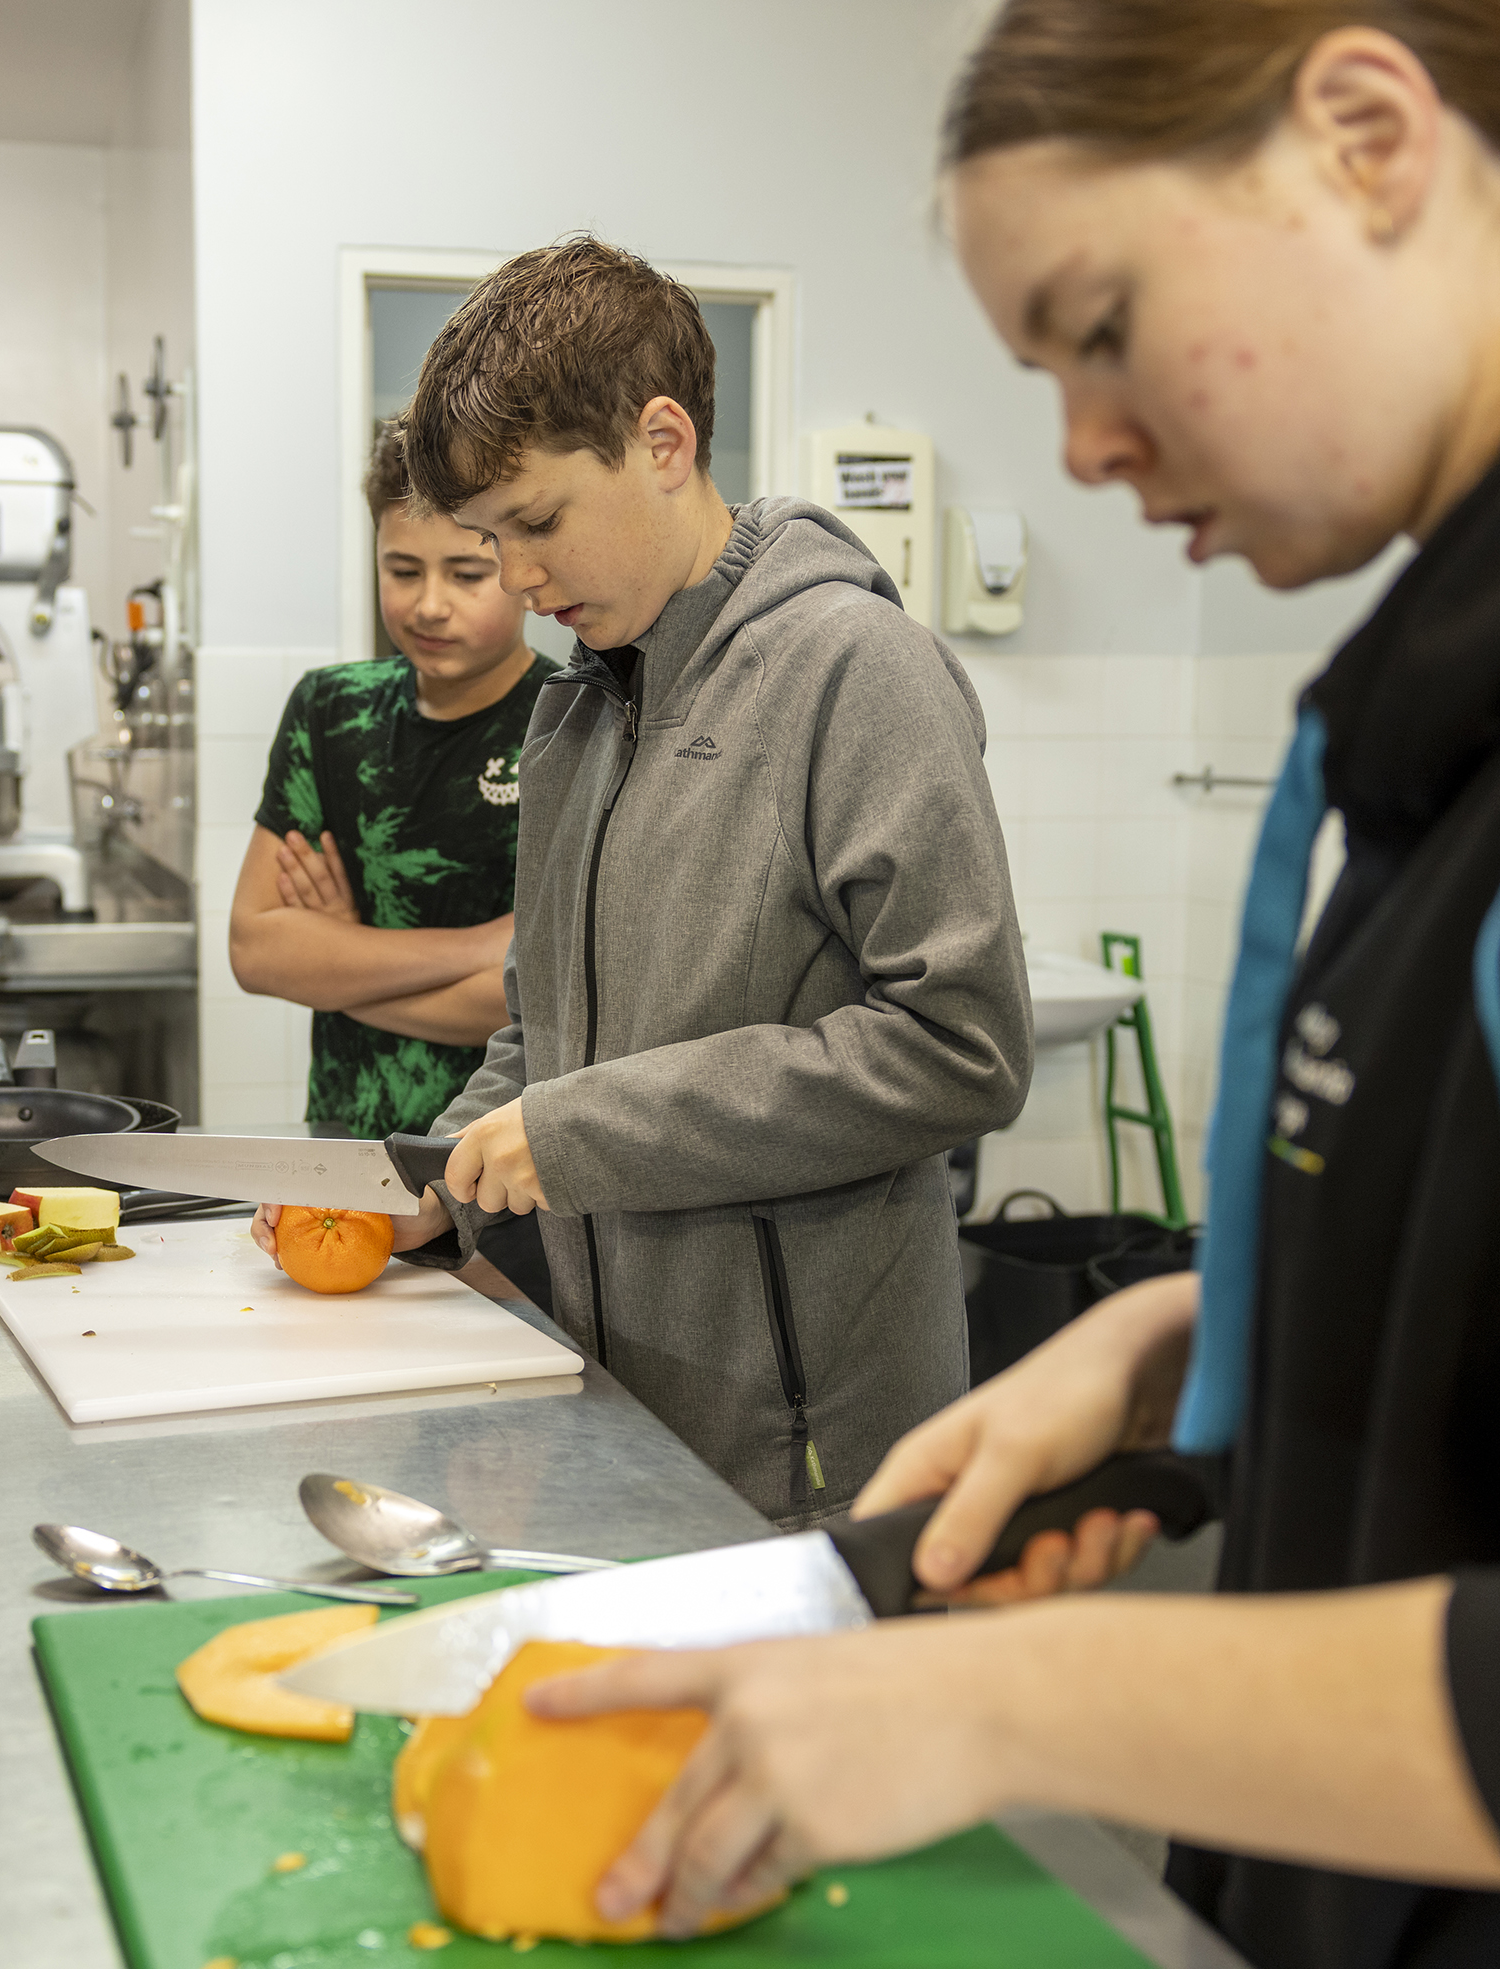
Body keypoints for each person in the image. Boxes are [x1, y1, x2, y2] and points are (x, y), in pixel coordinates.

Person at [524, 7, 1500, 1964]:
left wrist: (989, 1710)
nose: (1081, 448)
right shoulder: (1429, 720)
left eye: (1104, 324)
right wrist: (1168, 1338)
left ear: (1368, 140)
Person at [385, 237, 1033, 1526]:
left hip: (812, 1445)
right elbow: (542, 1030)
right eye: (485, 537)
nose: (514, 577)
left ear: (663, 442)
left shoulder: (857, 671)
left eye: (535, 524)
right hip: (614, 1403)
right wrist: (438, 1173)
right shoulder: (578, 709)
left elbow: (959, 1048)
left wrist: (580, 1135)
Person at [234, 423, 555, 1303]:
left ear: (521, 566)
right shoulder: (328, 711)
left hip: (500, 1192)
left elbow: (538, 1003)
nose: (429, 605)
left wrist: (337, 958)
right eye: (402, 569)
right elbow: (257, 950)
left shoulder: (569, 724)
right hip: (336, 1169)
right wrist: (481, 945)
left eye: (466, 572)